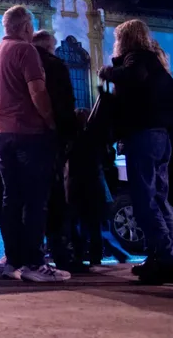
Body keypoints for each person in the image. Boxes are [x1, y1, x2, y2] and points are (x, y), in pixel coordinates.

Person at [0, 5, 69, 282]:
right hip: (28, 132)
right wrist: (51, 121)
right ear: (25, 26)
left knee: (11, 198)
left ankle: (12, 262)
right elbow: (37, 91)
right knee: (35, 198)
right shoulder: (25, 50)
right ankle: (34, 263)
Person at [99, 20, 173, 284]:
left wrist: (107, 72)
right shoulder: (154, 61)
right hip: (161, 136)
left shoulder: (136, 58)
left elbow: (132, 77)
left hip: (143, 136)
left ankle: (167, 262)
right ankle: (161, 257)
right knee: (158, 200)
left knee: (144, 200)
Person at [32, 30, 81, 272]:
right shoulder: (54, 65)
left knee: (28, 199)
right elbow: (64, 103)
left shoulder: (21, 61)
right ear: (49, 45)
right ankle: (62, 255)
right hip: (50, 136)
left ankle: (28, 255)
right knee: (55, 199)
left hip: (22, 136)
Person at [67, 108, 130, 266]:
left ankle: (79, 255)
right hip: (94, 184)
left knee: (78, 223)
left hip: (76, 185)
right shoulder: (97, 139)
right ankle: (96, 257)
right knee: (94, 224)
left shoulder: (72, 139)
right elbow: (107, 160)